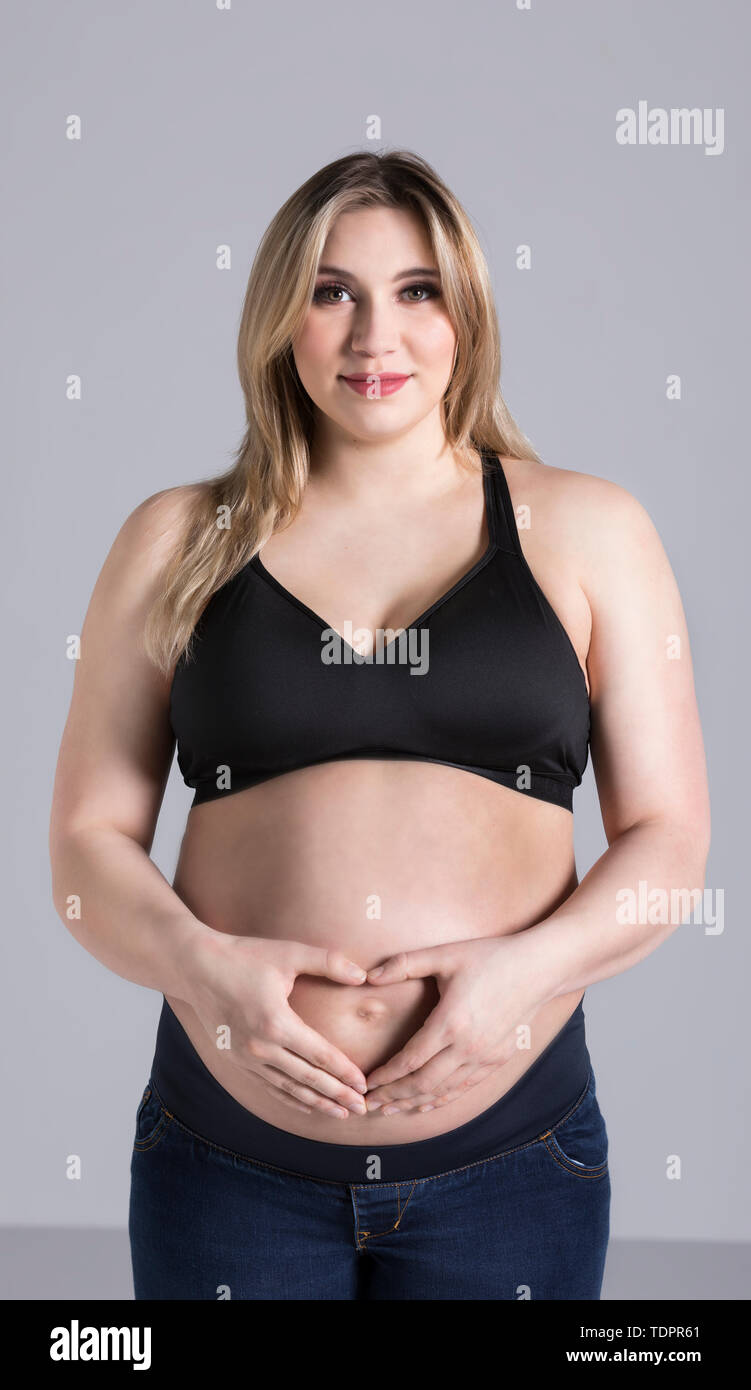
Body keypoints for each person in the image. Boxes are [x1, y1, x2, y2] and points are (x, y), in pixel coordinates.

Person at [49, 149, 710, 1301]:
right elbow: (86, 843)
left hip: (510, 1162)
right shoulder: (174, 542)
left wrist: (524, 975)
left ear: (467, 314)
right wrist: (203, 972)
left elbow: (669, 840)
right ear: (278, 316)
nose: (373, 337)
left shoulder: (589, 530)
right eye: (330, 290)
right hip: (227, 1164)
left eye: (416, 291)